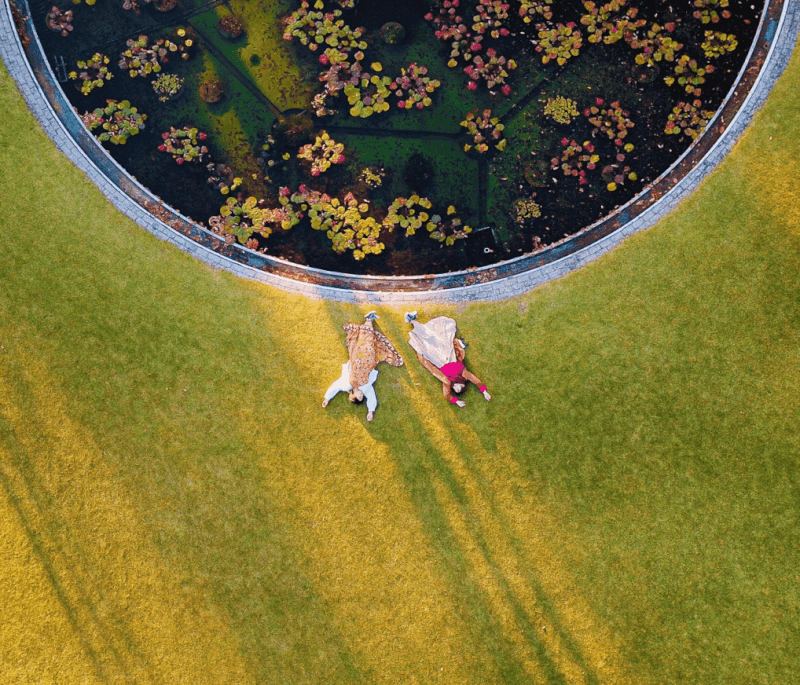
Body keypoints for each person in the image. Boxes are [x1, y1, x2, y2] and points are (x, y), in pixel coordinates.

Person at [322, 311, 404, 421]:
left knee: (360, 344)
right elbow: (371, 398)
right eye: (362, 397)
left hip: (356, 359)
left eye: (358, 396)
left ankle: (368, 321)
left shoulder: (346, 384)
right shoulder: (366, 388)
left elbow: (334, 387)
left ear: (353, 395)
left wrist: (327, 398)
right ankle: (369, 320)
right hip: (369, 361)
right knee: (370, 346)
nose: (361, 395)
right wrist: (370, 412)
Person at [405, 311, 491, 407]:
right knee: (436, 339)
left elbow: (446, 394)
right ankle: (414, 320)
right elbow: (476, 380)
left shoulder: (448, 382)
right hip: (449, 355)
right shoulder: (463, 375)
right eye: (461, 388)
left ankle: (413, 321)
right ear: (463, 384)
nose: (458, 389)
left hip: (438, 360)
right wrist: (484, 392)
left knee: (427, 346)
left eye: (457, 391)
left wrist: (456, 401)